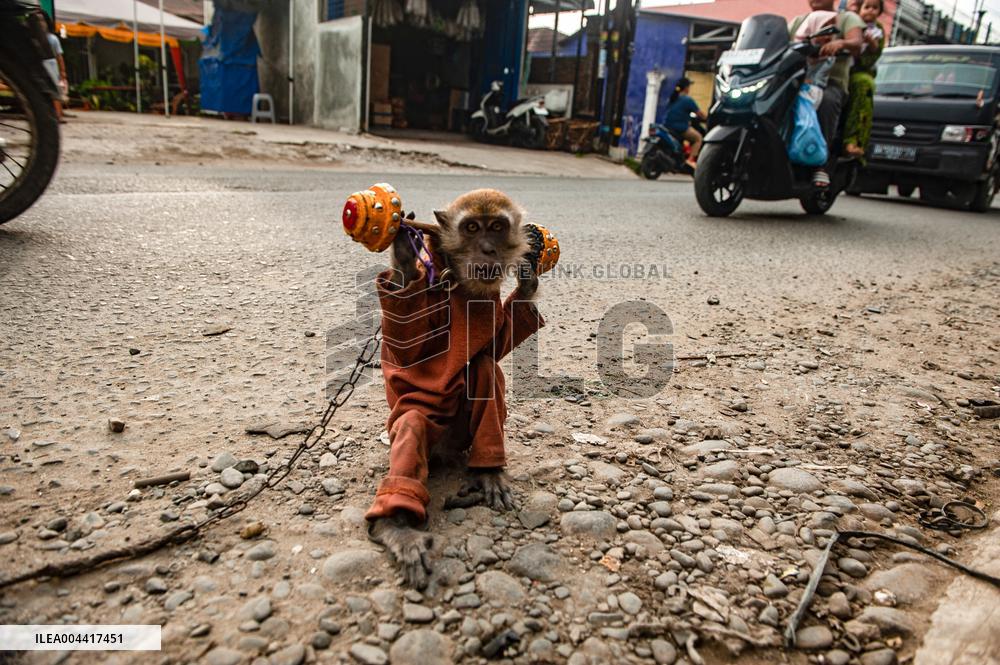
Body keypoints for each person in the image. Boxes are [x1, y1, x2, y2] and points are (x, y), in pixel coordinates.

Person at [789, 0, 864, 187]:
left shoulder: (847, 18)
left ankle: (820, 164)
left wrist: (841, 43)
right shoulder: (799, 21)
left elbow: (856, 42)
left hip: (831, 83)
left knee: (827, 102)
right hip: (795, 80)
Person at [843, 0, 885, 158]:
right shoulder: (849, 21)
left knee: (863, 86)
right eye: (867, 7)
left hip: (858, 72)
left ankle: (853, 141)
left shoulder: (877, 30)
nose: (870, 11)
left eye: (875, 8)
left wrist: (870, 44)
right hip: (838, 68)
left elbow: (873, 56)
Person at [662, 77, 706, 170]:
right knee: (698, 138)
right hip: (680, 127)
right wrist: (707, 118)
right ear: (686, 88)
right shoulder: (687, 100)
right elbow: (700, 114)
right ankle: (690, 160)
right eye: (689, 86)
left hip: (668, 125)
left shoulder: (673, 98)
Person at [42, 15, 67, 123]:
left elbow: (59, 56)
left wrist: (62, 72)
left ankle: (58, 116)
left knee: (55, 90)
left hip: (51, 64)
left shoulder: (53, 38)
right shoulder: (35, 38)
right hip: (41, 64)